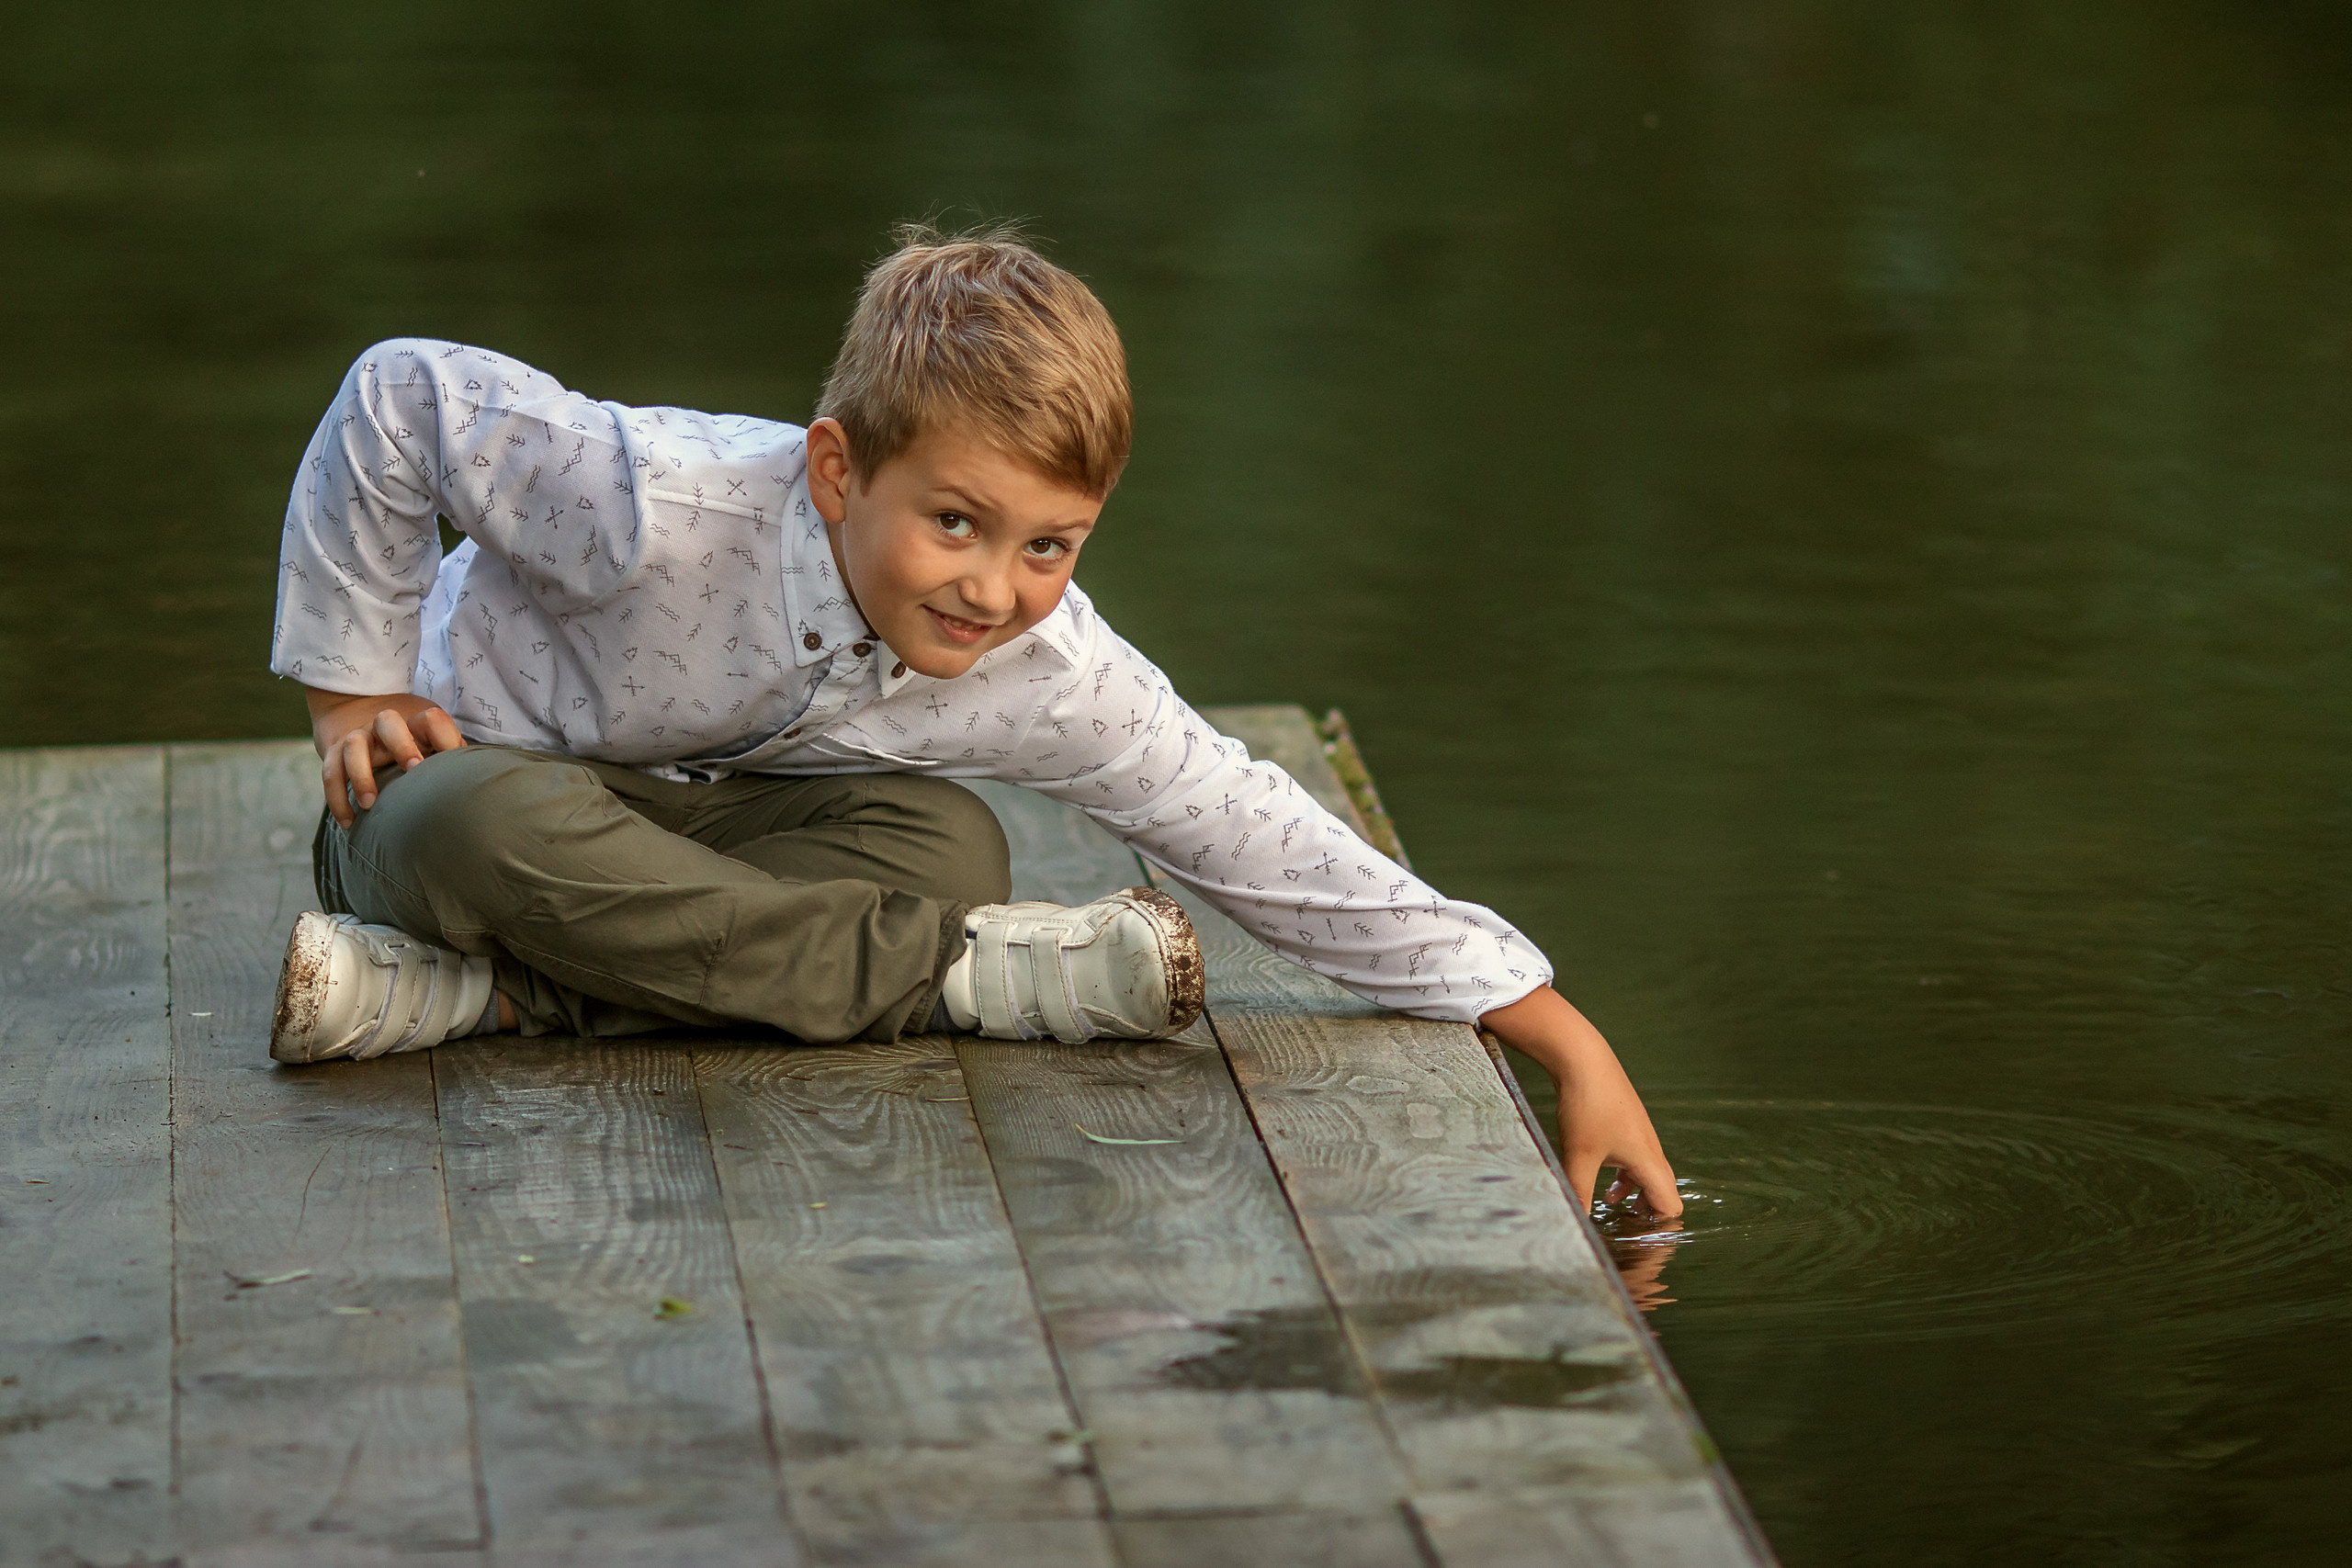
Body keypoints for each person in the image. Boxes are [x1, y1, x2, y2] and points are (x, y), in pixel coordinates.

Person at [266, 223, 1682, 1216]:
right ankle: (950, 984)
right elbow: (398, 396)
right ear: (837, 472)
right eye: (957, 522)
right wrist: (357, 680)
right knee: (470, 819)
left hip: (688, 842)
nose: (998, 589)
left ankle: (520, 1000)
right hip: (452, 802)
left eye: (1051, 544)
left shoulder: (1044, 656)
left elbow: (1245, 824)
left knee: (949, 849)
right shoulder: (650, 502)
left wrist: (1565, 1037)